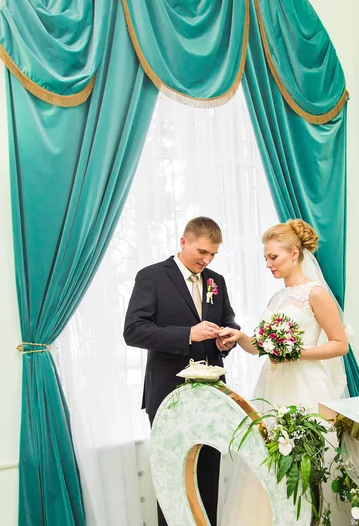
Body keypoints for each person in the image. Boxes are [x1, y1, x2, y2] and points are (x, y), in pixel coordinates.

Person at [219, 218, 349, 525]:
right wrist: (240, 337)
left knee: (307, 468)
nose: (268, 264)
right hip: (271, 391)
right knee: (270, 469)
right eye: (265, 258)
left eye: (273, 257)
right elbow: (262, 349)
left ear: (294, 253)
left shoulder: (314, 293)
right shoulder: (276, 297)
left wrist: (296, 354)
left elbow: (340, 344)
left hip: (305, 390)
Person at [124, 216, 241, 526]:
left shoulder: (216, 280)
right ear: (183, 241)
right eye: (202, 251)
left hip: (212, 395)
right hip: (168, 394)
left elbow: (229, 319)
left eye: (213, 254)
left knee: (208, 478)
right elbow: (134, 331)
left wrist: (229, 337)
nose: (207, 260)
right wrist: (188, 334)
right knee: (172, 478)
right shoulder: (151, 277)